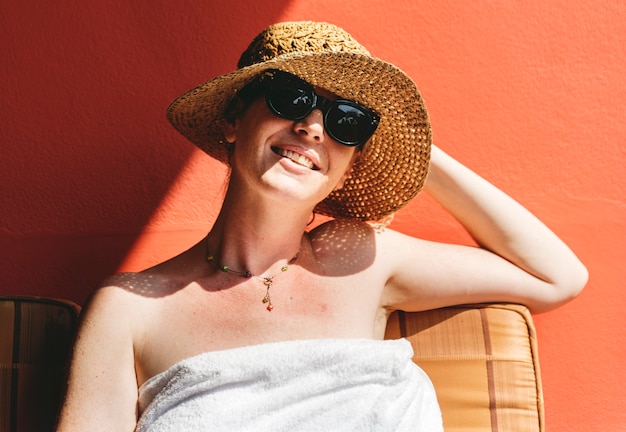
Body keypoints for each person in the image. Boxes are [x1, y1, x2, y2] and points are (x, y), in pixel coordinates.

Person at [56, 21, 588, 431]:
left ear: (352, 162)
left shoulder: (359, 256)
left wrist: (417, 155)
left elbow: (557, 276)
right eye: (293, 97)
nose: (313, 126)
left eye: (346, 122)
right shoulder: (129, 308)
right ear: (233, 119)